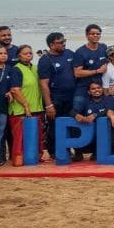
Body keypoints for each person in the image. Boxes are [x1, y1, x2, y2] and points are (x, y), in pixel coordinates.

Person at [38, 32, 77, 160]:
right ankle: (54, 151)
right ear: (51, 45)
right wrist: (49, 105)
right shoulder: (45, 60)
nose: (64, 43)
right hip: (55, 98)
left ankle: (68, 149)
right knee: (54, 125)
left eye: (64, 41)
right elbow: (44, 84)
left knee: (70, 124)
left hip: (71, 96)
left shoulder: (70, 54)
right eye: (60, 42)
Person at [7, 45, 44, 166]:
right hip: (21, 110)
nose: (28, 55)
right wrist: (25, 106)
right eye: (25, 53)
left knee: (37, 137)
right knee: (20, 139)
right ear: (19, 56)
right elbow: (15, 90)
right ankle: (17, 160)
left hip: (37, 108)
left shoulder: (35, 68)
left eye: (30, 53)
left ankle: (35, 157)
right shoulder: (16, 69)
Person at [73, 81, 114, 160]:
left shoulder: (109, 99)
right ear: (89, 92)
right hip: (88, 135)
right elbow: (72, 111)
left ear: (102, 89)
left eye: (99, 88)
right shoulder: (85, 101)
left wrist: (95, 115)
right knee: (73, 124)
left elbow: (109, 111)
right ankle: (78, 153)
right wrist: (76, 115)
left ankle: (101, 152)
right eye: (93, 89)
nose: (96, 90)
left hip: (103, 136)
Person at [71, 24, 109, 111]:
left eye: (98, 34)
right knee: (77, 111)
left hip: (99, 88)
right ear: (87, 35)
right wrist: (97, 71)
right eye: (92, 34)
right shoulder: (80, 52)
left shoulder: (103, 48)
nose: (95, 35)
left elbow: (109, 61)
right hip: (83, 88)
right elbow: (77, 73)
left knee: (102, 112)